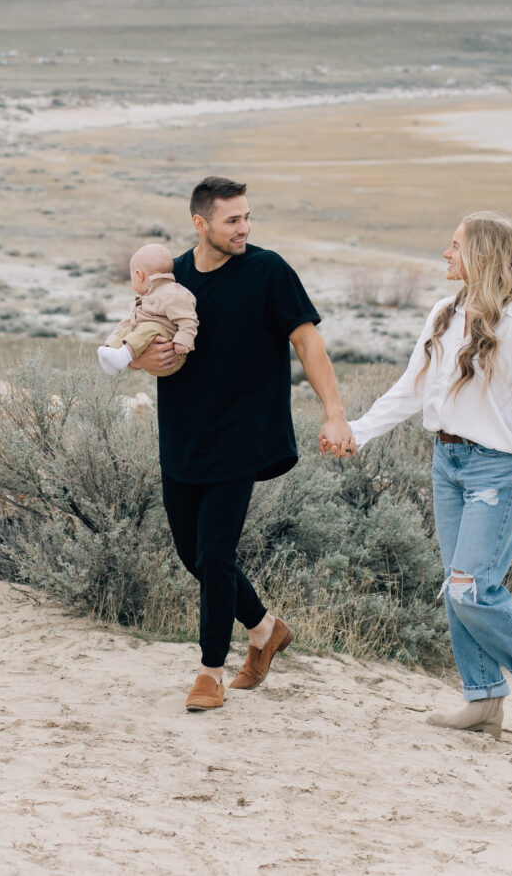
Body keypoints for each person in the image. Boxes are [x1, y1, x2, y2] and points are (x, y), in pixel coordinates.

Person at [335, 211, 512, 739]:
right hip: (446, 465)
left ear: (480, 256)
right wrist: (358, 432)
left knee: (471, 590)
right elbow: (410, 389)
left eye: (454, 247)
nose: (446, 255)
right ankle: (484, 699)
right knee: (456, 586)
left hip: (496, 471)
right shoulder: (442, 315)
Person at [134, 176, 353, 712]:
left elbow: (307, 340)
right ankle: (264, 629)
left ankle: (209, 672)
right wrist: (143, 360)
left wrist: (334, 414)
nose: (245, 229)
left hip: (242, 435)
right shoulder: (174, 277)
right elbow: (140, 337)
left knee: (214, 552)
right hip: (183, 434)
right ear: (200, 223)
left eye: (248, 218)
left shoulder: (268, 270)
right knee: (194, 555)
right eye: (233, 220)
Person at [96, 243, 197, 377]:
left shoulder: (173, 293)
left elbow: (188, 320)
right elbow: (127, 323)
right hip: (150, 352)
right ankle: (111, 354)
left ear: (139, 275)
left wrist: (182, 342)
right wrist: (113, 340)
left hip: (171, 355)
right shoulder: (144, 298)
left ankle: (123, 355)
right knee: (128, 328)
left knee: (150, 327)